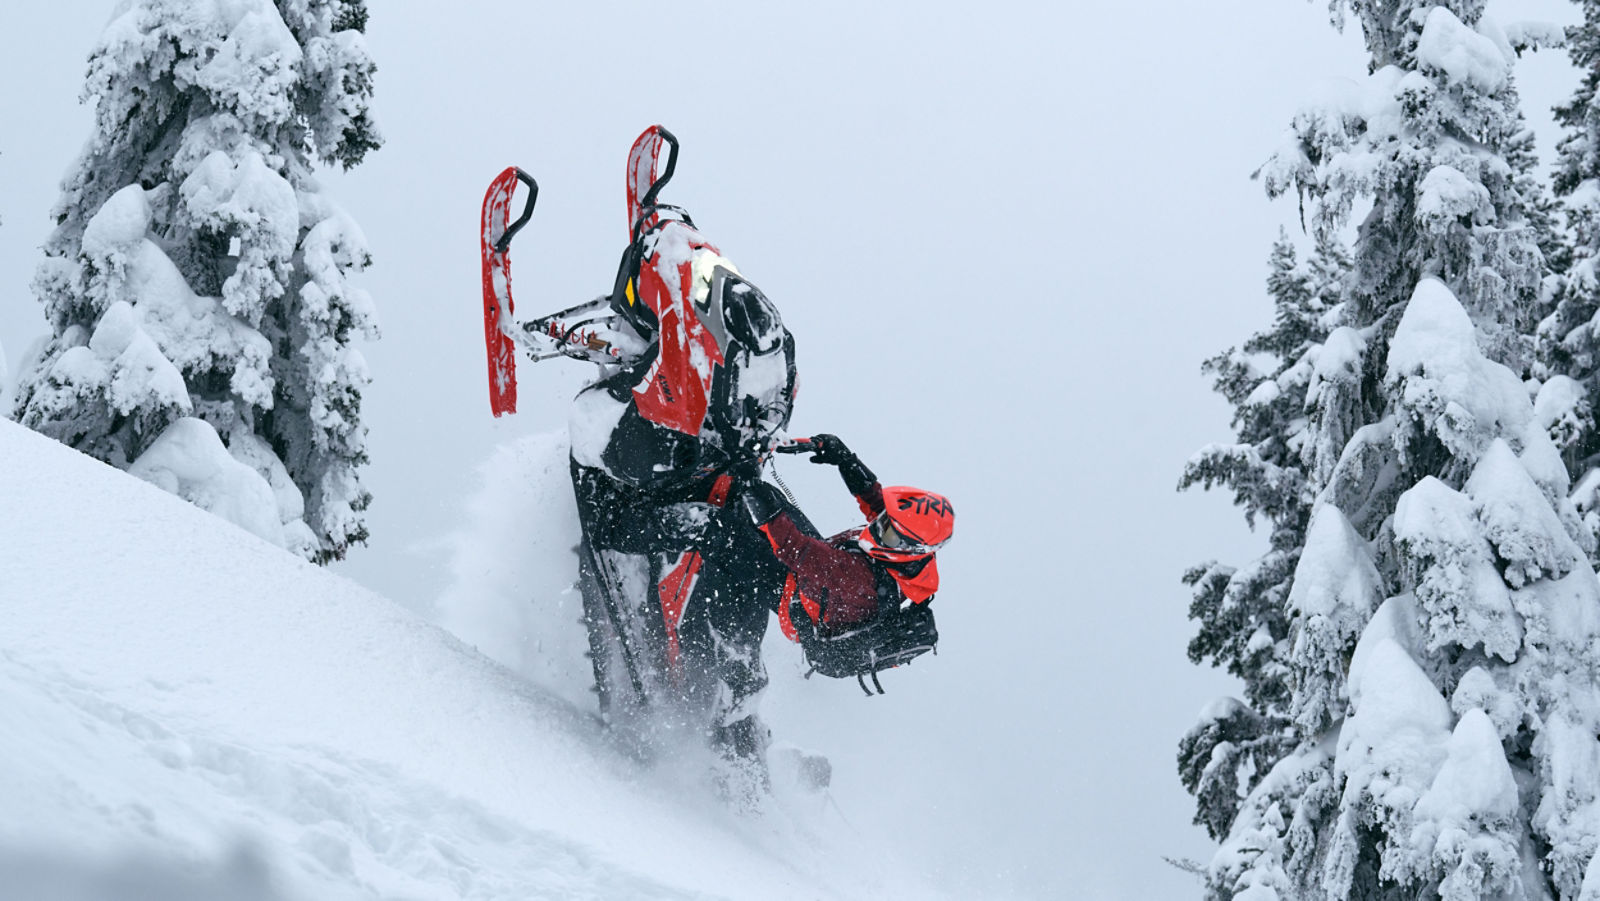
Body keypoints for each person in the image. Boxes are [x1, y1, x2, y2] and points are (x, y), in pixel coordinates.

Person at [739, 434, 954, 690]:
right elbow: (875, 502)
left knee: (728, 533)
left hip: (793, 598)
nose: (878, 528)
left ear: (911, 550)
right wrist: (843, 458)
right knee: (765, 499)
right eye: (885, 522)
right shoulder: (905, 551)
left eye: (888, 532)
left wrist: (752, 490)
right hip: (819, 573)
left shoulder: (860, 578)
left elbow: (793, 549)